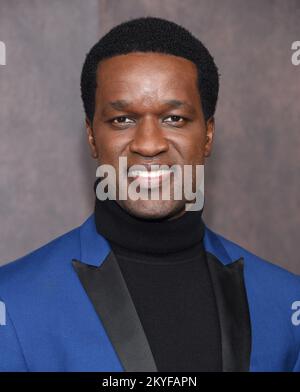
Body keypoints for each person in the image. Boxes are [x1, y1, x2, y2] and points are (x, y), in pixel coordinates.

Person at [0, 16, 300, 372]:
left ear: (207, 135)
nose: (148, 144)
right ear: (92, 137)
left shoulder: (286, 303)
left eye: (174, 119)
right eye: (122, 120)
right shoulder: (13, 302)